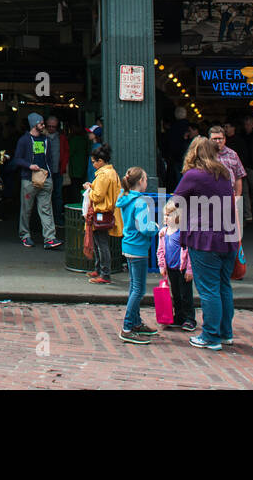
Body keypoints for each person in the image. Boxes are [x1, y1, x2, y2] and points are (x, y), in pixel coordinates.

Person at [172, 137, 239, 351]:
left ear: (193, 152)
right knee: (223, 287)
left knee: (209, 290)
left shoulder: (193, 175)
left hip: (204, 238)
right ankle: (225, 333)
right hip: (228, 237)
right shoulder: (223, 173)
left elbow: (175, 201)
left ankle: (211, 336)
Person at [115, 166, 159, 344]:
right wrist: (155, 227)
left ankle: (135, 322)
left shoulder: (125, 198)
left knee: (135, 287)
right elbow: (144, 227)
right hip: (138, 248)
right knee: (138, 290)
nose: (147, 182)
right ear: (140, 182)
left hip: (129, 245)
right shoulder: (141, 202)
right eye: (146, 179)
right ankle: (127, 327)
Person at [13, 112, 60, 249]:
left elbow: (50, 159)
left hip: (44, 177)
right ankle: (25, 235)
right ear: (34, 124)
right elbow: (17, 159)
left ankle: (50, 238)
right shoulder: (24, 140)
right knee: (27, 209)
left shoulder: (46, 140)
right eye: (41, 123)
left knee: (46, 208)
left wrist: (49, 174)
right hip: (29, 179)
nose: (43, 125)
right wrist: (29, 166)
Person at [84, 145, 122, 284]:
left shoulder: (103, 175)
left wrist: (89, 188)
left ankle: (104, 274)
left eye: (94, 161)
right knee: (100, 242)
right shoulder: (111, 172)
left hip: (101, 212)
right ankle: (99, 270)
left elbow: (98, 196)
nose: (93, 164)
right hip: (107, 212)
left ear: (100, 161)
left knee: (101, 244)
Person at [156, 199, 196, 332]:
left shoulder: (182, 233)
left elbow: (189, 252)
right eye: (165, 215)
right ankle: (179, 317)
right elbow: (160, 250)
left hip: (182, 269)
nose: (166, 218)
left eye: (169, 215)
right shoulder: (164, 232)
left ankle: (190, 319)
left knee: (186, 295)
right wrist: (162, 266)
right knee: (176, 294)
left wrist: (189, 269)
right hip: (171, 269)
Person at [208, 125, 246, 232]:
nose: (218, 141)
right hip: (209, 199)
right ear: (209, 140)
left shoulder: (233, 154)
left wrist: (237, 198)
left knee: (231, 233)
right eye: (214, 139)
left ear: (225, 139)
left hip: (229, 198)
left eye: (220, 138)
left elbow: (239, 177)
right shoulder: (204, 155)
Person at [230, 115, 253, 221]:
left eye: (249, 124)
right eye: (246, 124)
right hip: (244, 166)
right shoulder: (241, 136)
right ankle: (248, 213)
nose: (247, 126)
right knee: (244, 192)